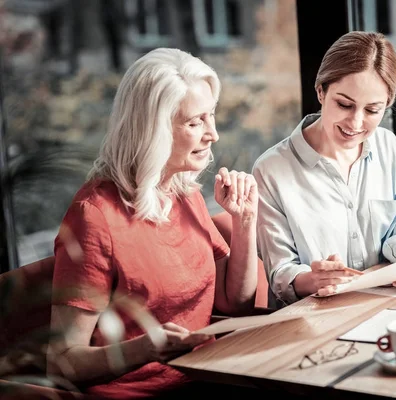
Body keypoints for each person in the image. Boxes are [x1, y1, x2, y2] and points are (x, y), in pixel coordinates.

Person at [48, 48, 259, 399]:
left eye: (211, 116)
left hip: (204, 377)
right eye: (195, 122)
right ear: (152, 131)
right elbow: (61, 363)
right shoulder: (94, 216)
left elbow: (235, 302)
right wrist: (144, 349)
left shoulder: (184, 192)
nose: (213, 134)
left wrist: (245, 220)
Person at [252, 31, 396, 308]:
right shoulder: (271, 170)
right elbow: (280, 273)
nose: (356, 122)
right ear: (321, 91)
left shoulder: (388, 147)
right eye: (345, 104)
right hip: (313, 317)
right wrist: (314, 278)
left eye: (372, 110)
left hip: (384, 305)